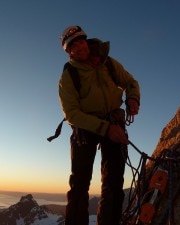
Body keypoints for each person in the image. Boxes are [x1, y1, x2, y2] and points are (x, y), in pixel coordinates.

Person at [58, 25, 140, 225]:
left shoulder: (108, 63)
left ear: (86, 41)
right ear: (69, 52)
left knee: (113, 182)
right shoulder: (69, 75)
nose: (78, 47)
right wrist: (106, 129)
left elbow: (130, 82)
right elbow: (72, 114)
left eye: (80, 42)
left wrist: (133, 98)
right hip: (86, 127)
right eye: (72, 46)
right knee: (79, 184)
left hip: (113, 119)